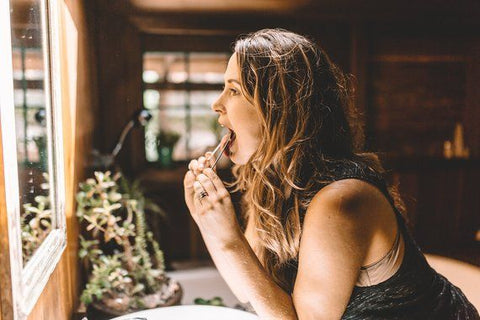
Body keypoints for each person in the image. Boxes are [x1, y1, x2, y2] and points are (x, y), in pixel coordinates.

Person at [183, 28, 479, 319]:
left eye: (233, 90)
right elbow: (254, 293)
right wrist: (208, 223)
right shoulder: (269, 184)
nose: (216, 104)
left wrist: (228, 239)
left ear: (278, 108)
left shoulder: (342, 200)